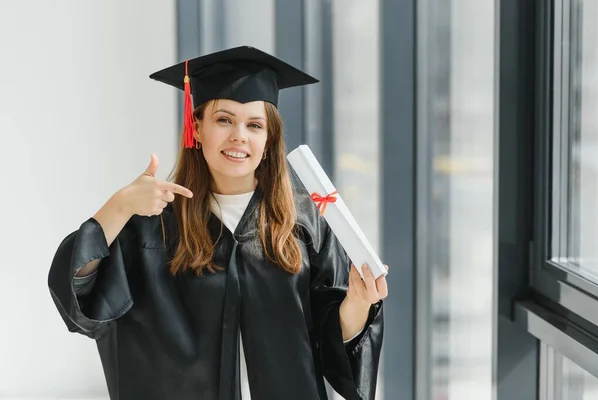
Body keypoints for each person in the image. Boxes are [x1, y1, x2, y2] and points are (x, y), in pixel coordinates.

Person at [48, 45, 387, 400]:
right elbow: (80, 300)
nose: (239, 135)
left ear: (268, 139)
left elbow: (333, 339)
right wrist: (118, 207)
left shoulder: (305, 221)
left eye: (254, 125)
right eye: (224, 120)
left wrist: (360, 301)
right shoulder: (154, 223)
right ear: (197, 127)